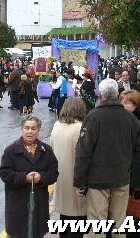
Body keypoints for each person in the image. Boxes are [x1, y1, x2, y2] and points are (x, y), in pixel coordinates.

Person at [73, 78, 140, 238]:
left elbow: (83, 152)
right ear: (117, 95)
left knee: (98, 223)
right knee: (119, 223)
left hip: (98, 180)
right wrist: (125, 162)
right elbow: (138, 149)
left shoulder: (93, 118)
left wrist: (80, 181)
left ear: (101, 95)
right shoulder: (130, 118)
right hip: (121, 177)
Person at [0, 115, 59, 238]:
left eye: (33, 128)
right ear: (22, 129)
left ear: (38, 130)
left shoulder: (46, 150)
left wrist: (41, 177)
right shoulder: (11, 151)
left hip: (39, 205)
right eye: (26, 128)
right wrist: (24, 178)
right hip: (17, 204)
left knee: (37, 233)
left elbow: (54, 173)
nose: (29, 131)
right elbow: (5, 174)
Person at [50, 98, 87, 238]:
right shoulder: (80, 128)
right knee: (77, 223)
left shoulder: (57, 126)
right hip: (76, 180)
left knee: (64, 219)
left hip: (60, 179)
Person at [119, 90, 140, 238]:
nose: (122, 105)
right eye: (122, 102)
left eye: (127, 103)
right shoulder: (129, 122)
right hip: (127, 180)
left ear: (136, 105)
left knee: (137, 222)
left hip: (135, 183)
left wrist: (134, 184)